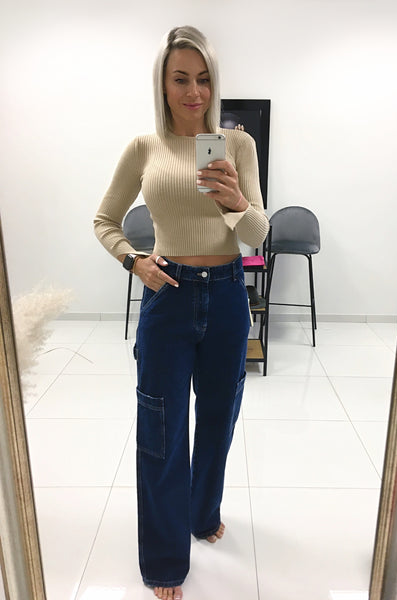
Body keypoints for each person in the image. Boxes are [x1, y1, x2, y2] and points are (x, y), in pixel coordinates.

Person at [94, 25, 269, 600]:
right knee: (162, 429)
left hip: (227, 295)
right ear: (163, 85)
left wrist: (236, 200)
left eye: (203, 78)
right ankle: (166, 561)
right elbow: (105, 220)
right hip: (168, 296)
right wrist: (134, 261)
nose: (194, 91)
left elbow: (257, 233)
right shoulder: (144, 148)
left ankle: (201, 513)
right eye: (181, 79)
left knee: (218, 420)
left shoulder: (236, 145)